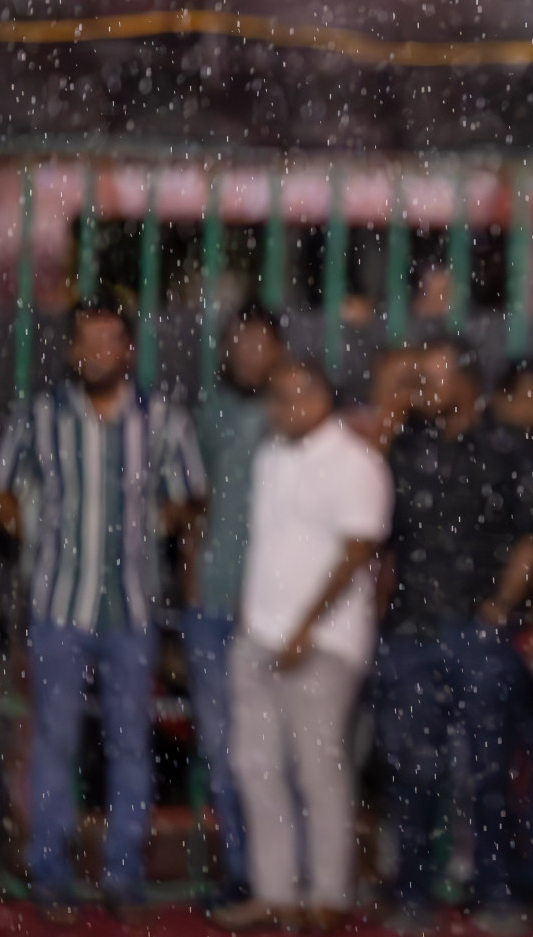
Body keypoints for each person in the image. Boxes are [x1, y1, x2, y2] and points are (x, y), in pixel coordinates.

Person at [0, 299, 207, 925]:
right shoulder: (38, 417)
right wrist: (29, 533)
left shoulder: (162, 419)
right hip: (59, 603)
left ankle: (123, 875)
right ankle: (51, 872)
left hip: (131, 610)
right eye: (88, 341)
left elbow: (191, 494)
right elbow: (0, 487)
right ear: (71, 351)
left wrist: (154, 527)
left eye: (111, 340)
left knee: (129, 745)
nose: (99, 352)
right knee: (55, 741)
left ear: (129, 350)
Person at [376, 337, 533, 936]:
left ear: (466, 381)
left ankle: (494, 890)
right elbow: (380, 537)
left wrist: (501, 607)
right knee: (412, 771)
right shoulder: (404, 448)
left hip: (476, 632)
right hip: (410, 627)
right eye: (418, 377)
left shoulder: (507, 449)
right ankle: (412, 893)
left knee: (487, 770)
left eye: (433, 377)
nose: (424, 389)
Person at [216, 360, 392, 933]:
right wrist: (256, 617)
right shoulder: (270, 456)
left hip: (324, 641)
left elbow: (358, 550)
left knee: (318, 769)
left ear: (322, 399)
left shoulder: (356, 462)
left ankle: (328, 896)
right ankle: (276, 894)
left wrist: (305, 628)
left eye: (293, 398)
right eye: (276, 399)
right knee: (255, 765)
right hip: (259, 634)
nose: (282, 409)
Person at [188, 303, 285, 907]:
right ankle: (243, 871)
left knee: (288, 748)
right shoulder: (210, 414)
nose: (248, 353)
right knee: (225, 749)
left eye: (258, 343)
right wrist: (192, 581)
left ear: (277, 348)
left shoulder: (296, 412)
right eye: (238, 343)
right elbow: (191, 507)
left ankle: (285, 873)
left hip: (281, 609)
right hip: (217, 603)